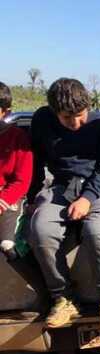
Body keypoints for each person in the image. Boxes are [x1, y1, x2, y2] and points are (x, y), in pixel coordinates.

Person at [28, 78, 100, 329]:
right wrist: (31, 197)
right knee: (40, 229)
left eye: (80, 115)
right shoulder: (42, 120)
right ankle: (63, 298)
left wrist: (87, 199)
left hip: (98, 189)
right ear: (54, 112)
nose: (76, 123)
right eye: (67, 118)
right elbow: (34, 162)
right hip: (60, 187)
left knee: (96, 229)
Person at [0, 81, 33, 261]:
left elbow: (22, 181)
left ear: (6, 112)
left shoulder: (18, 139)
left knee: (8, 246)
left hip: (9, 198)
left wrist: (2, 202)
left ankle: (40, 285)